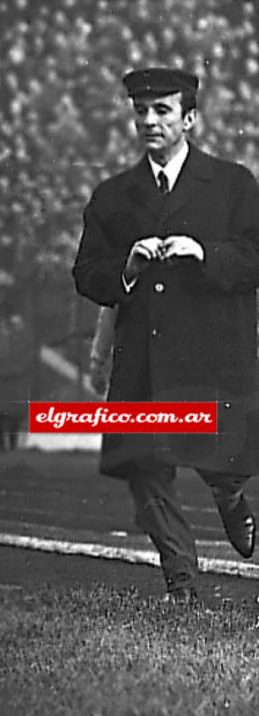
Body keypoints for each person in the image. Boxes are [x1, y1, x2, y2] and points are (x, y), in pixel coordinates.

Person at [72, 67, 259, 602]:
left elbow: (256, 256)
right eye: (141, 112)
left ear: (190, 118)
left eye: (162, 111)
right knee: (144, 467)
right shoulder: (113, 196)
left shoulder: (233, 184)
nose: (149, 121)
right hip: (145, 362)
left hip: (214, 357)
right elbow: (87, 273)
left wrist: (206, 255)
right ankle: (182, 581)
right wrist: (127, 269)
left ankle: (229, 498)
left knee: (220, 463)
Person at [0, 314, 31, 452]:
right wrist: (4, 372)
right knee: (1, 416)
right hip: (5, 385)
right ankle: (0, 445)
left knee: (14, 417)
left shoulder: (23, 344)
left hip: (13, 386)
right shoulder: (1, 343)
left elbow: (25, 364)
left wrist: (8, 372)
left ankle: (11, 445)